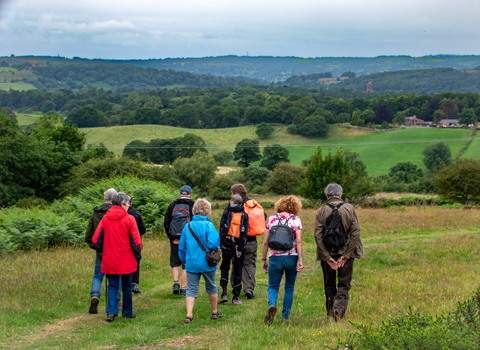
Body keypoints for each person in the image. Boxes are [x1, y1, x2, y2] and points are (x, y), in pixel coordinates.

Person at [314, 183, 364, 322]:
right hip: (346, 253)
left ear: (326, 195)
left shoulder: (321, 211)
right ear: (341, 194)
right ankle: (339, 309)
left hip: (327, 253)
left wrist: (327, 256)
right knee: (344, 284)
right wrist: (347, 255)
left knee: (329, 284)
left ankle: (331, 313)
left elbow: (317, 235)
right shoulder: (350, 209)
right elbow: (356, 232)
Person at [92, 192, 142, 322]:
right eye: (127, 203)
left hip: (110, 258)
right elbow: (136, 241)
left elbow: (96, 240)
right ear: (122, 204)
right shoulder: (129, 219)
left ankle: (111, 312)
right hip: (126, 258)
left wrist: (104, 249)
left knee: (112, 285)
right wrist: (138, 254)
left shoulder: (105, 218)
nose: (128, 206)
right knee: (126, 286)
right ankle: (127, 312)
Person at [178, 198, 223, 323]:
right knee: (211, 286)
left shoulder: (188, 226)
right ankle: (214, 312)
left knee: (191, 288)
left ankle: (189, 315)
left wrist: (184, 260)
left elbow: (182, 247)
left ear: (194, 210)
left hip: (191, 262)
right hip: (208, 262)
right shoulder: (209, 225)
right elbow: (214, 243)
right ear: (207, 211)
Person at [261, 196, 303, 325]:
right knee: (289, 287)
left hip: (275, 257)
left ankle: (272, 304)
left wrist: (263, 259)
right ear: (295, 207)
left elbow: (265, 241)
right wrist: (300, 259)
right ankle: (285, 316)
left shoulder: (272, 219)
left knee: (273, 286)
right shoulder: (296, 220)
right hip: (292, 256)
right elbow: (299, 241)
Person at [85, 188, 120, 314]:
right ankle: (117, 301)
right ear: (115, 199)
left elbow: (88, 235)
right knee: (116, 276)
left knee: (98, 276)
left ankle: (95, 295)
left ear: (104, 199)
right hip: (115, 251)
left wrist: (96, 247)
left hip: (100, 252)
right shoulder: (117, 213)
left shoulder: (95, 213)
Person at [230, 184, 266, 299]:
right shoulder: (254, 205)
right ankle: (249, 288)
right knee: (249, 263)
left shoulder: (235, 204)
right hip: (251, 240)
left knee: (236, 263)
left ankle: (235, 286)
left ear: (235, 194)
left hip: (237, 240)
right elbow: (263, 216)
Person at [164, 185, 194, 296]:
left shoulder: (172, 205)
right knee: (185, 264)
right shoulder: (193, 206)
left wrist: (171, 238)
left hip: (175, 239)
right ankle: (183, 288)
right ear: (190, 194)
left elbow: (166, 223)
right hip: (188, 240)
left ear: (180, 193)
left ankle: (176, 283)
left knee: (175, 262)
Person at [219, 194, 249, 305]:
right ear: (241, 204)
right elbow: (244, 235)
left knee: (225, 268)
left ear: (231, 202)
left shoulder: (226, 213)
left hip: (227, 246)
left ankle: (224, 294)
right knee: (237, 271)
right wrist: (240, 249)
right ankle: (235, 297)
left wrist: (221, 246)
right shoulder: (245, 215)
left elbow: (222, 231)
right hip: (238, 249)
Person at [126, 194, 147, 294]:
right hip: (135, 242)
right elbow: (143, 229)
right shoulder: (136, 214)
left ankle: (124, 284)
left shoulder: (122, 214)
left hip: (123, 242)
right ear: (131, 203)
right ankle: (134, 283)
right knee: (135, 262)